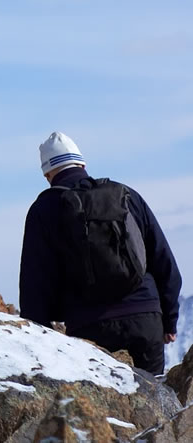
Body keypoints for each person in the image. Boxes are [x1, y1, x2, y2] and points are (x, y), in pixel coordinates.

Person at [18, 132, 182, 375]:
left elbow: (35, 283)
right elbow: (164, 262)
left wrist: (41, 339)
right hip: (145, 318)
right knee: (154, 404)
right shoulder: (126, 195)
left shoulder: (43, 210)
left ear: (47, 174)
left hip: (89, 327)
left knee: (100, 411)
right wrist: (168, 320)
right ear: (82, 164)